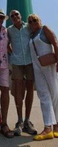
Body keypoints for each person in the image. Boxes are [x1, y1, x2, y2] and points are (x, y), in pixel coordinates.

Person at [27, 14, 58, 141]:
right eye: (30, 21)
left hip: (49, 65)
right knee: (43, 95)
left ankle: (56, 125)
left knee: (54, 94)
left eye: (34, 20)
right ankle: (48, 127)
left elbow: (55, 43)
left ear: (39, 21)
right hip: (37, 68)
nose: (32, 22)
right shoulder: (31, 36)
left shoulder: (45, 29)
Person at [7, 10, 37, 136]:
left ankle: (27, 121)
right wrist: (12, 53)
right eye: (12, 16)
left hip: (30, 62)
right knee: (18, 91)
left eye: (16, 14)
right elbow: (6, 43)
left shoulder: (28, 27)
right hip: (17, 63)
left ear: (21, 16)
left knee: (30, 90)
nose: (14, 17)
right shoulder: (9, 30)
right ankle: (19, 121)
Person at [0, 9, 14, 138]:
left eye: (1, 18)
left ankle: (4, 123)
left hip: (4, 65)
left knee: (5, 91)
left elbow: (8, 47)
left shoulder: (6, 31)